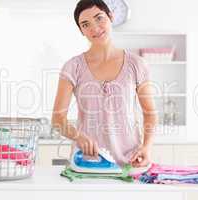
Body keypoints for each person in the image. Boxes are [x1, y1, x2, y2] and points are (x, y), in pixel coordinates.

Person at [52, 0, 157, 167]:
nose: (94, 28)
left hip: (130, 162)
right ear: (81, 31)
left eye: (99, 18)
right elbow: (57, 119)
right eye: (85, 24)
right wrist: (79, 136)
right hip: (89, 163)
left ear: (111, 17)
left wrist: (146, 148)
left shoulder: (137, 65)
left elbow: (150, 113)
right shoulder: (73, 67)